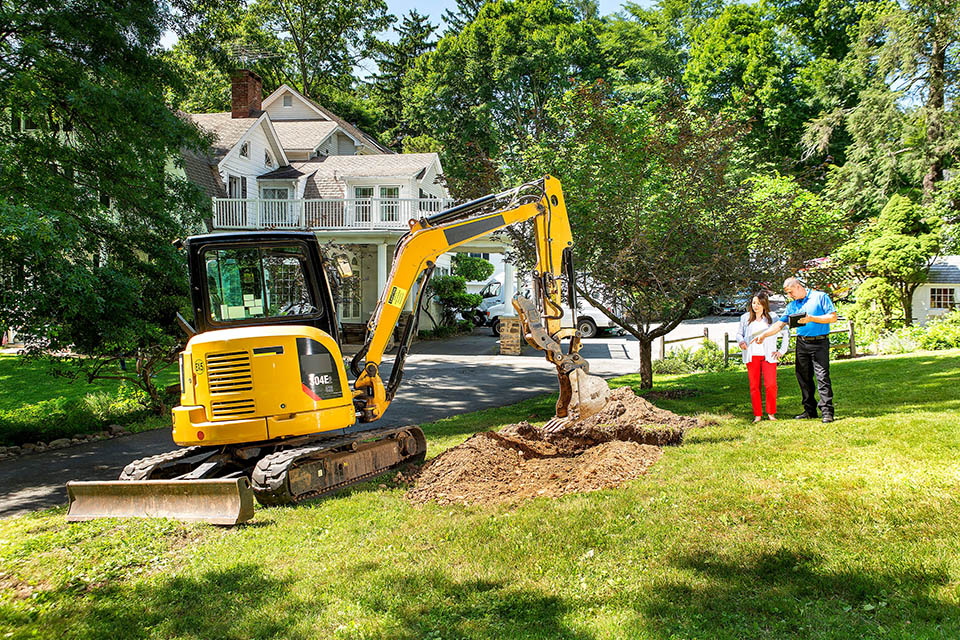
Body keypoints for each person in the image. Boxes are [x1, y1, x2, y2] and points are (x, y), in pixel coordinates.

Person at [754, 277, 838, 423]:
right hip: (802, 344)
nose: (790, 296)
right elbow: (779, 325)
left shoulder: (820, 297)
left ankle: (827, 412)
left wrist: (812, 318)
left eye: (791, 292)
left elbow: (833, 317)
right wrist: (764, 334)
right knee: (803, 378)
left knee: (822, 377)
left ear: (798, 286)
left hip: (820, 343)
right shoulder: (792, 306)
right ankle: (809, 411)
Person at [735, 291, 788, 422]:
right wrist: (741, 342)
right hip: (752, 356)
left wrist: (781, 351)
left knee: (770, 385)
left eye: (759, 303)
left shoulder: (773, 317)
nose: (756, 306)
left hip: (768, 356)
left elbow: (785, 333)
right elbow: (739, 334)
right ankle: (757, 415)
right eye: (754, 303)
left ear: (764, 304)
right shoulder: (745, 318)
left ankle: (771, 413)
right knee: (754, 386)